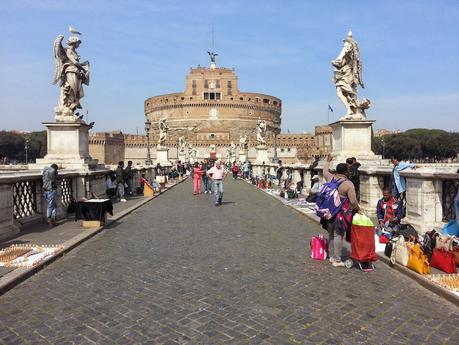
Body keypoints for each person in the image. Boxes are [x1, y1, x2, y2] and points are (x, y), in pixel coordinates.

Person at [322, 154, 360, 267]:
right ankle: (337, 260)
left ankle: (331, 256)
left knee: (331, 234)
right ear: (346, 172)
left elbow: (324, 171)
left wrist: (328, 161)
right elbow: (353, 202)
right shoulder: (348, 184)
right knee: (338, 235)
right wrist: (358, 209)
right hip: (340, 213)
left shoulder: (330, 177)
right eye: (348, 170)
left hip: (328, 211)